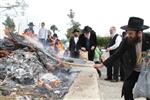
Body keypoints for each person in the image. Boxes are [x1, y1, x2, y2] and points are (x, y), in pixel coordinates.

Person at [94, 17, 150, 100]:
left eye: (131, 33)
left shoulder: (148, 38)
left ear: (139, 32)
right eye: (128, 33)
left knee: (148, 91)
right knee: (126, 89)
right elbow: (117, 54)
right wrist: (102, 64)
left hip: (147, 70)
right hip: (133, 70)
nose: (128, 35)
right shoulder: (127, 40)